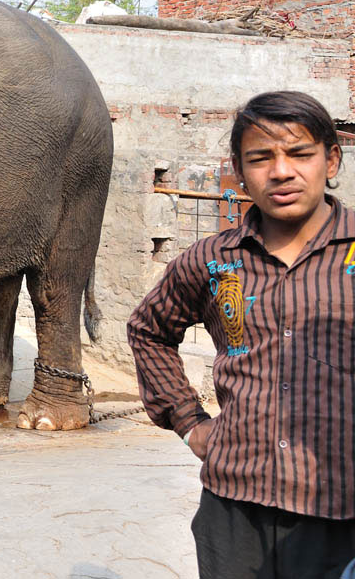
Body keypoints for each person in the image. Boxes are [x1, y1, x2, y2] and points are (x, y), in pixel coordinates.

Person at [129, 90, 355, 579]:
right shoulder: (211, 261)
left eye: (299, 154)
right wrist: (188, 422)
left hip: (342, 506)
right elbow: (148, 330)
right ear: (239, 167)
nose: (281, 172)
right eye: (261, 158)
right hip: (234, 503)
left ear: (331, 159)